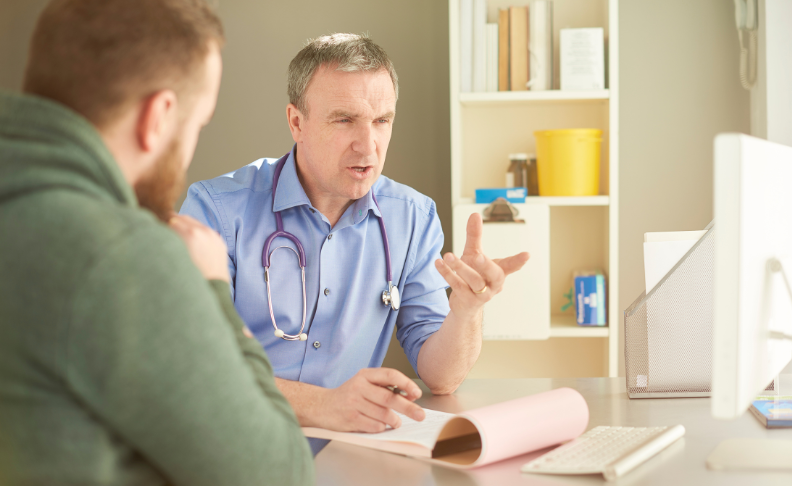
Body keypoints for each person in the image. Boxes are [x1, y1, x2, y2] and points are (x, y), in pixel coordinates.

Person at [0, 1, 312, 485]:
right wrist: (213, 290)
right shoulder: (121, 256)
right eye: (198, 124)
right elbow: (280, 474)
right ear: (159, 117)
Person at [180, 33, 529, 453]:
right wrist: (324, 405)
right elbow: (193, 367)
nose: (368, 145)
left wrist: (467, 310)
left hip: (348, 458)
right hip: (231, 455)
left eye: (382, 120)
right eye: (344, 119)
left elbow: (442, 376)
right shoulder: (217, 210)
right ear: (296, 122)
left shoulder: (412, 218)